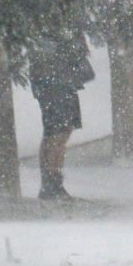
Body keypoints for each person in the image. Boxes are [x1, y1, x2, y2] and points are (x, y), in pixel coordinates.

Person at [28, 33, 94, 201]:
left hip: (62, 82)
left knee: (62, 131)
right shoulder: (49, 27)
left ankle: (54, 180)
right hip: (53, 83)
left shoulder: (61, 26)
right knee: (55, 132)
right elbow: (49, 52)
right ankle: (50, 182)